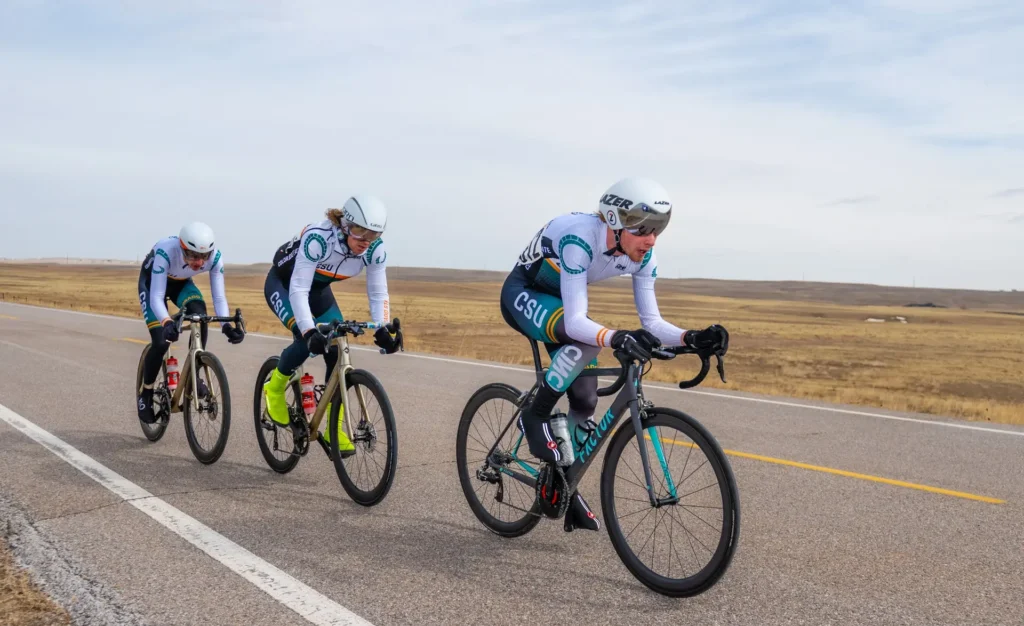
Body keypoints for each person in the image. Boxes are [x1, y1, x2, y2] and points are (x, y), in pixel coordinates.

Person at [500, 177, 729, 532]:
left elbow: (651, 321)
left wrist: (691, 337)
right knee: (592, 340)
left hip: (560, 301)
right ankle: (536, 414)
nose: (651, 240)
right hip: (523, 293)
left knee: (585, 399)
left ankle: (562, 483)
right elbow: (577, 321)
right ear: (615, 221)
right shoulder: (580, 238)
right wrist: (617, 337)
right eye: (643, 229)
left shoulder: (643, 255)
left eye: (659, 229)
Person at [262, 195, 401, 457]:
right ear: (346, 224)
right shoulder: (318, 239)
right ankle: (275, 387)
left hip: (318, 290)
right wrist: (309, 330)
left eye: (373, 234)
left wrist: (383, 327)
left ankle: (333, 427)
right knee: (306, 340)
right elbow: (299, 288)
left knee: (336, 348)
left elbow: (378, 292)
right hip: (284, 284)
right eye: (360, 231)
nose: (365, 241)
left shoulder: (374, 249)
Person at [137, 222, 245, 423]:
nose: (198, 262)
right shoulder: (166, 252)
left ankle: (194, 373)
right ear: (182, 247)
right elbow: (157, 296)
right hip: (152, 285)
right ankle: (146, 393)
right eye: (193, 256)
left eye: (203, 256)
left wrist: (226, 326)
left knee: (200, 315)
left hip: (181, 285)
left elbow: (219, 298)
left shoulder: (215, 258)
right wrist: (167, 321)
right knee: (161, 342)